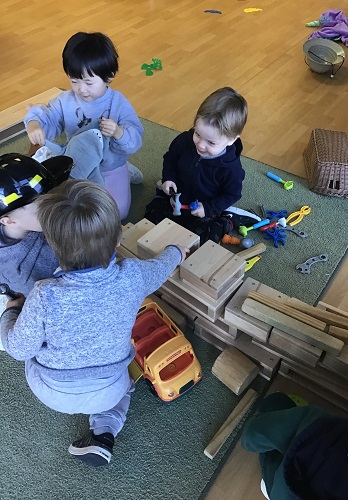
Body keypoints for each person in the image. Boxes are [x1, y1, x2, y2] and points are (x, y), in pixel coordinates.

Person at [0, 179, 189, 467]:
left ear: (52, 244)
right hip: (108, 388)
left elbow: (18, 349)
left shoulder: (43, 293)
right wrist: (176, 252)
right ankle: (105, 432)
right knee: (123, 388)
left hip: (52, 391)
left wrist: (11, 312)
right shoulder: (134, 275)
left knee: (33, 341)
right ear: (118, 239)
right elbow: (161, 268)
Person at [24, 31, 144, 219]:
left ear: (109, 76)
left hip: (110, 166)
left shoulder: (118, 103)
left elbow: (135, 138)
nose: (81, 89)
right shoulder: (65, 100)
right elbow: (49, 118)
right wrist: (34, 123)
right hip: (78, 160)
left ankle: (125, 170)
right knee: (62, 205)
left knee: (117, 212)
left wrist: (119, 133)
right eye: (74, 81)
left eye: (88, 82)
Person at [144, 87, 260, 244]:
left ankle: (228, 219)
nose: (201, 145)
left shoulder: (232, 169)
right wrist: (168, 179)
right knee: (150, 219)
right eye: (197, 134)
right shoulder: (184, 141)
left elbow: (232, 194)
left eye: (211, 142)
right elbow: (170, 159)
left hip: (205, 206)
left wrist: (208, 208)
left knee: (201, 239)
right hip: (177, 197)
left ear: (232, 139)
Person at [241, 392, 348, 499]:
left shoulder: (319, 425)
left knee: (276, 401)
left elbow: (251, 435)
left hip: (281, 488)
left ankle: (269, 486)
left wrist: (246, 440)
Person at [0, 152, 72, 297]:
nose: (56, 208)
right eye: (43, 208)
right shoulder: (26, 275)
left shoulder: (24, 221)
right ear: (9, 221)